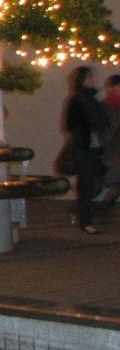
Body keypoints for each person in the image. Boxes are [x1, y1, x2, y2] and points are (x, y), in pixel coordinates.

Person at [61, 66, 109, 233]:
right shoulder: (82, 99)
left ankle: (84, 217)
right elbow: (75, 124)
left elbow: (69, 126)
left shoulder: (86, 99)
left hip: (89, 145)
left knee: (90, 182)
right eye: (89, 77)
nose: (92, 80)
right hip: (85, 146)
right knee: (87, 183)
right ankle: (85, 220)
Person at [98, 74, 120, 216]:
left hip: (112, 151)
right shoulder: (106, 107)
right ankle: (100, 210)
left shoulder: (105, 106)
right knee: (116, 182)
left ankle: (101, 210)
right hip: (111, 151)